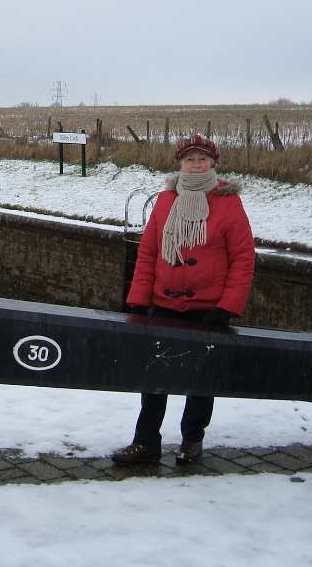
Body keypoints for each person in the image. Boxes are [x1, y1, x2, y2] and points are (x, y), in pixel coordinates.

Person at [112, 134, 256, 466]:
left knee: (202, 379)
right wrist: (137, 301)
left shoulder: (228, 202)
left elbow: (243, 259)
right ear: (179, 163)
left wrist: (226, 307)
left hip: (209, 308)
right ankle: (146, 441)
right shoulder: (166, 200)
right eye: (189, 159)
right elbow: (148, 253)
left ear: (213, 163)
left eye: (202, 159)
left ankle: (192, 439)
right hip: (164, 303)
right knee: (154, 376)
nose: (196, 165)